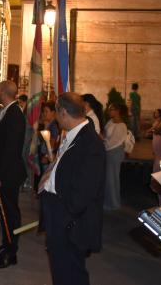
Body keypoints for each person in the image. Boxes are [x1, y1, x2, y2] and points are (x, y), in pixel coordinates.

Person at [39, 92, 106, 285]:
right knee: (61, 272)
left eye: (57, 113)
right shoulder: (74, 135)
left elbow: (84, 191)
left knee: (72, 274)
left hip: (70, 223)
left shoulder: (91, 143)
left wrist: (62, 218)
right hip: (61, 216)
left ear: (64, 113)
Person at [0, 80, 26, 269]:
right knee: (4, 213)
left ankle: (11, 253)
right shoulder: (9, 111)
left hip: (8, 174)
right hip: (5, 172)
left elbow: (10, 149)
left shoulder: (15, 114)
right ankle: (5, 245)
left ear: (4, 92)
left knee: (10, 214)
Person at [102, 103, 128, 210]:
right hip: (108, 151)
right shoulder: (110, 122)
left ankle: (114, 203)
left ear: (117, 111)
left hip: (115, 152)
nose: (109, 112)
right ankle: (108, 201)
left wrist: (102, 141)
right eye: (109, 109)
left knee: (112, 177)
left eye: (111, 110)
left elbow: (114, 141)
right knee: (108, 177)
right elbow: (105, 135)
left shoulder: (122, 126)